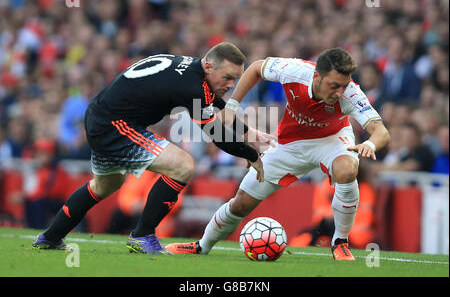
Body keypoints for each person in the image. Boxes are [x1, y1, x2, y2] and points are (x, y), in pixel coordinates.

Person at [32, 42, 273, 254]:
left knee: (105, 185)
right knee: (183, 165)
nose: (232, 85)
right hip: (115, 125)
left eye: (236, 79)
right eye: (228, 77)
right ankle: (142, 235)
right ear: (209, 67)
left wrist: (248, 133)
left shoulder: (192, 68)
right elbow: (217, 135)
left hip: (102, 117)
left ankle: (50, 237)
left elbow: (214, 102)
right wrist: (251, 154)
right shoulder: (192, 86)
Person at [166, 48, 390, 260]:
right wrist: (232, 106)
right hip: (289, 144)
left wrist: (370, 144)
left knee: (348, 168)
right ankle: (201, 246)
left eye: (343, 85)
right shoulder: (294, 71)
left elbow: (381, 132)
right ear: (317, 77)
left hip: (331, 141)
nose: (339, 92)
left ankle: (340, 242)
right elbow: (255, 68)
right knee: (240, 203)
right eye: (334, 86)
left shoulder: (350, 93)